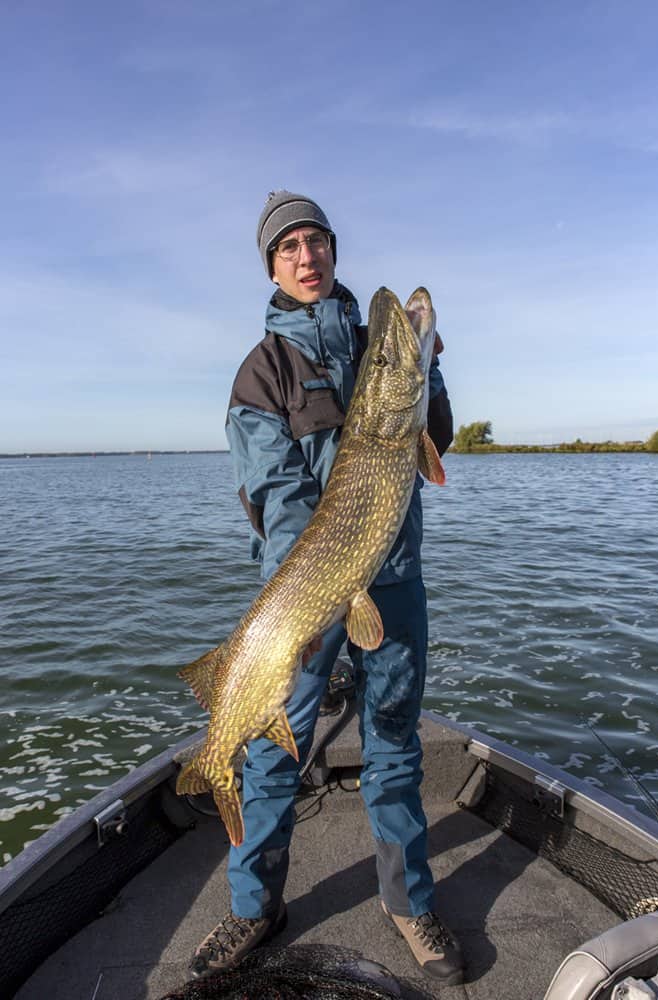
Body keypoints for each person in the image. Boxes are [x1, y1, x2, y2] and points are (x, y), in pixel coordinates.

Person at [189, 191, 462, 984]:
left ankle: (408, 905)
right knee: (272, 754)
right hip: (303, 593)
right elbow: (273, 493)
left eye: (316, 241)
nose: (306, 257)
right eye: (288, 248)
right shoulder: (261, 372)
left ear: (332, 250)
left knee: (393, 742)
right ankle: (252, 910)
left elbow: (431, 440)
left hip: (394, 577)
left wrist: (423, 366)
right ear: (271, 266)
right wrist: (319, 584)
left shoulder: (374, 344)